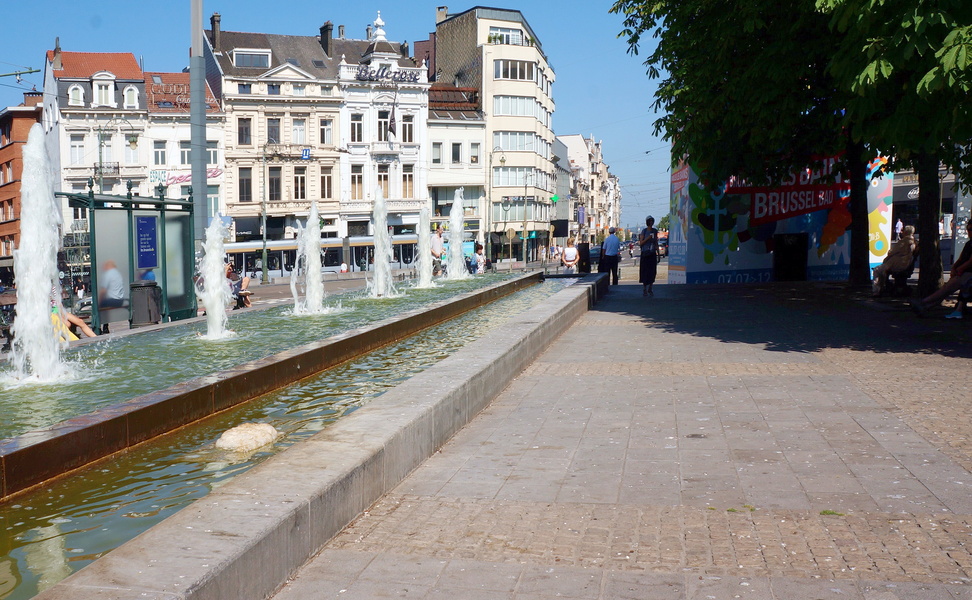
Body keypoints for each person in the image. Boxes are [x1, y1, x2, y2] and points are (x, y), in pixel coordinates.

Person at [911, 220, 972, 317]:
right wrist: (954, 268)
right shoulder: (969, 244)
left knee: (949, 287)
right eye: (968, 229)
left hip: (968, 273)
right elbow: (961, 258)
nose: (969, 232)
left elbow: (970, 262)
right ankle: (926, 306)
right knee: (949, 288)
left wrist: (959, 269)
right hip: (964, 273)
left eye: (971, 230)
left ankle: (924, 302)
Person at [871, 225, 916, 296]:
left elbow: (891, 252)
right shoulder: (914, 242)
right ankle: (882, 288)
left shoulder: (903, 242)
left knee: (877, 270)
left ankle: (876, 290)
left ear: (905, 232)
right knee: (882, 270)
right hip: (905, 264)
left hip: (895, 264)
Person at [639, 216, 659, 297]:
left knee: (652, 271)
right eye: (649, 221)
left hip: (652, 253)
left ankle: (650, 287)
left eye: (652, 221)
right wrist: (648, 238)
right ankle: (644, 288)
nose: (651, 223)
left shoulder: (654, 231)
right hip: (645, 253)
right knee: (645, 271)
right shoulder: (644, 231)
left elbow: (656, 242)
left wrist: (658, 253)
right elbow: (641, 243)